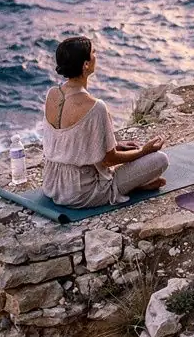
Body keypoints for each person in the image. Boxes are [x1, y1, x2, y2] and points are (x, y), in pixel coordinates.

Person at [41, 36, 169, 208]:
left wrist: (116, 145)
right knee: (160, 159)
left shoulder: (52, 94)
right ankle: (127, 188)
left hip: (52, 184)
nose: (96, 55)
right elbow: (109, 160)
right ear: (86, 64)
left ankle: (134, 185)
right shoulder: (96, 107)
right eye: (93, 52)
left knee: (123, 153)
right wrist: (143, 151)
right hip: (81, 193)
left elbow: (68, 144)